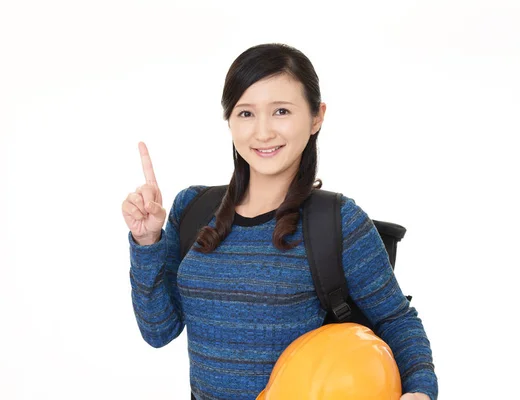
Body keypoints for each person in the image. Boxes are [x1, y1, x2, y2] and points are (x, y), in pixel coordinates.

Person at [122, 43, 438, 400]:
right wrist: (148, 242)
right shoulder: (193, 207)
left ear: (316, 116)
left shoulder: (338, 221)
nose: (263, 132)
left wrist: (420, 391)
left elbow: (396, 320)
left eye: (281, 111)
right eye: (246, 113)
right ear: (229, 120)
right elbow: (158, 330)